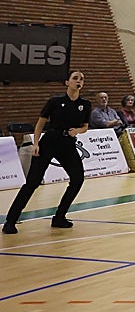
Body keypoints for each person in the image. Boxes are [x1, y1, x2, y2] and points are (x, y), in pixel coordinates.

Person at [4, 70, 91, 234]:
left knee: (78, 179)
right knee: (33, 182)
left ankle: (59, 217)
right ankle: (10, 220)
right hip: (49, 142)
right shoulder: (55, 101)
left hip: (68, 144)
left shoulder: (85, 104)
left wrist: (78, 130)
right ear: (67, 82)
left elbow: (86, 126)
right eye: (75, 78)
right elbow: (40, 123)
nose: (78, 81)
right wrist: (36, 143)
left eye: (81, 79)